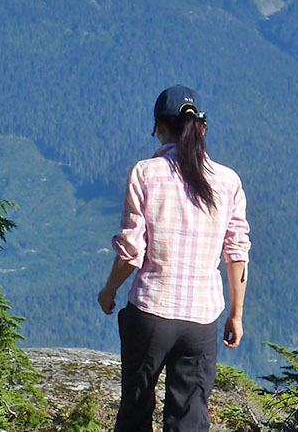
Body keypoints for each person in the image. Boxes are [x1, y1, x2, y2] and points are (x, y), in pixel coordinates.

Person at [97, 84, 250, 432]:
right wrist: (236, 314)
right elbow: (237, 253)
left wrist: (109, 291)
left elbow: (131, 254)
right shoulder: (228, 182)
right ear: (203, 129)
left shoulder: (145, 174)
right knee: (190, 417)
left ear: (159, 127)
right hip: (202, 320)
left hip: (151, 312)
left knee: (135, 410)